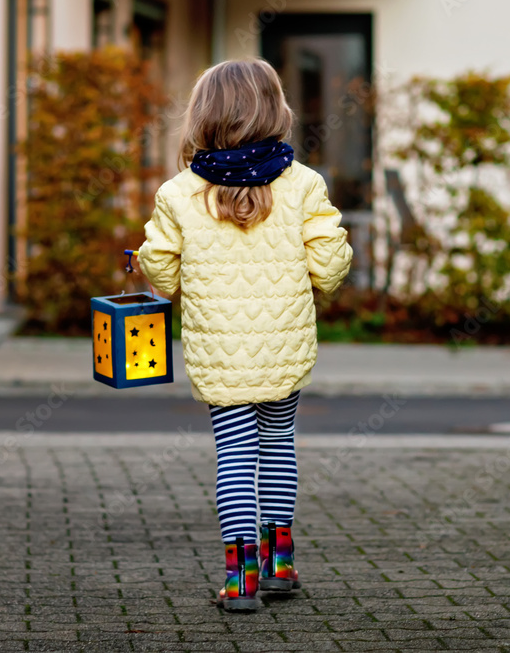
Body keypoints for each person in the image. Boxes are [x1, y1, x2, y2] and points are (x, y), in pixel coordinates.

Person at [137, 58, 353, 611]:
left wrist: (157, 262)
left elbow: (161, 274)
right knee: (278, 445)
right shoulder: (304, 184)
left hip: (219, 352)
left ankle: (240, 580)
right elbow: (328, 267)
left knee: (234, 454)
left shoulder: (179, 193)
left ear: (202, 116)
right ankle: (281, 563)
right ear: (275, 111)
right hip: (285, 347)